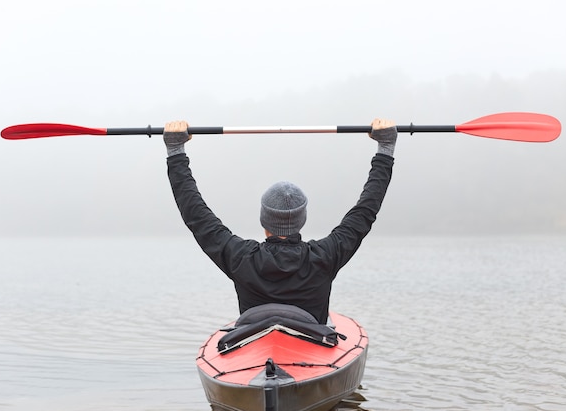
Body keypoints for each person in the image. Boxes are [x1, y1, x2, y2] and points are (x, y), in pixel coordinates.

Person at [164, 119, 397, 324]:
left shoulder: (240, 257)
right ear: (302, 219)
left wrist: (176, 150)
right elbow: (366, 209)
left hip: (253, 345)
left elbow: (195, 214)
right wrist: (385, 148)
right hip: (311, 346)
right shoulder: (325, 256)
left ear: (263, 219)